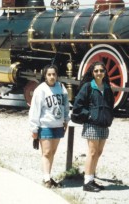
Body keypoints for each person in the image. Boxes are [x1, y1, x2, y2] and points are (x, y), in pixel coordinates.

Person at [72, 61, 114, 192]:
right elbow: (77, 105)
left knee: (99, 152)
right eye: (96, 71)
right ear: (92, 72)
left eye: (101, 70)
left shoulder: (107, 88)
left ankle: (91, 179)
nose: (99, 73)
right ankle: (87, 182)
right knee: (92, 152)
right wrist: (89, 115)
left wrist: (109, 117)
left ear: (105, 72)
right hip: (92, 123)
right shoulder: (88, 87)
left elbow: (111, 104)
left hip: (103, 123)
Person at [29, 65, 70, 188]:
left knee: (52, 152)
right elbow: (34, 110)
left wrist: (66, 119)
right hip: (45, 125)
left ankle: (49, 177)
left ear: (57, 75)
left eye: (54, 74)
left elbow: (66, 105)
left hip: (58, 125)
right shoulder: (40, 90)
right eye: (49, 74)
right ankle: (46, 179)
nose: (52, 77)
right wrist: (34, 129)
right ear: (45, 76)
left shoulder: (61, 87)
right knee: (46, 152)